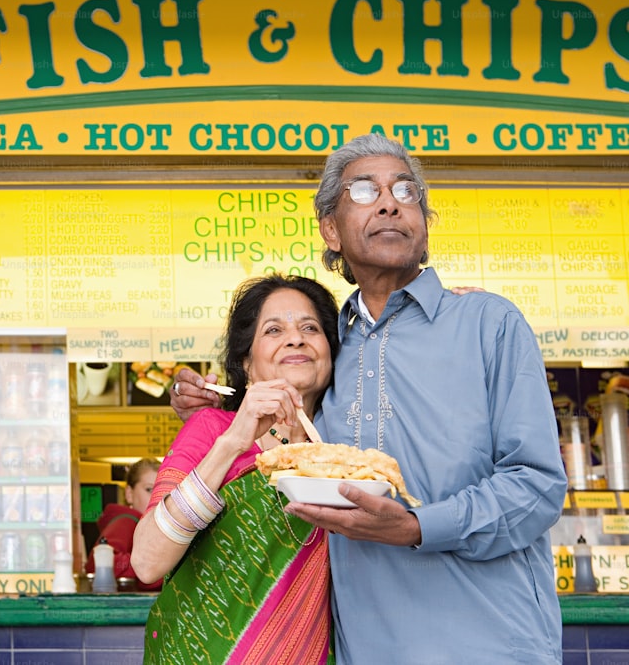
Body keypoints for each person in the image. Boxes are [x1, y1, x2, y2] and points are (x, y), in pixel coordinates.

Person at [172, 133, 566, 664]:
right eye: (364, 190)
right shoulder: (329, 347)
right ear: (331, 230)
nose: (389, 202)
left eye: (407, 192)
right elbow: (274, 413)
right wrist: (207, 400)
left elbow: (538, 486)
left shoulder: (488, 324)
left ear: (424, 229)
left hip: (491, 642)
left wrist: (418, 527)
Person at [132, 274, 340, 665]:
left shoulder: (347, 452)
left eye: (310, 328)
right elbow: (146, 562)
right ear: (247, 363)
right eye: (274, 329)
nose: (295, 338)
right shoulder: (211, 430)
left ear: (331, 353)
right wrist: (231, 445)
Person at [85, 457, 163, 591]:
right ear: (129, 494)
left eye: (163, 490)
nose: (157, 497)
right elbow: (98, 563)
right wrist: (159, 564)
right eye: (149, 490)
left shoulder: (147, 525)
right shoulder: (127, 520)